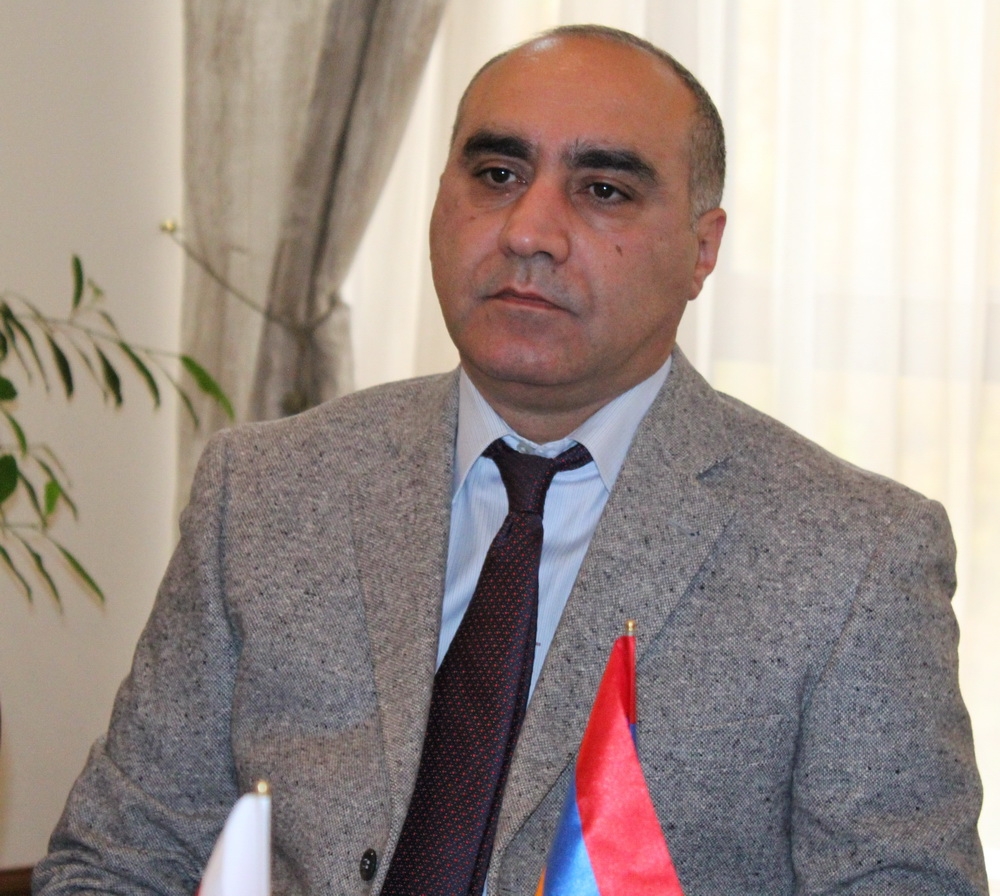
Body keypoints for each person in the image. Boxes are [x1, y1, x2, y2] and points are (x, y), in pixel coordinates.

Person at [34, 24, 987, 896]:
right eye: (496, 174)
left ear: (703, 250)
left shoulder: (854, 558)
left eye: (603, 190)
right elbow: (118, 861)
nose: (529, 232)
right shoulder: (268, 491)